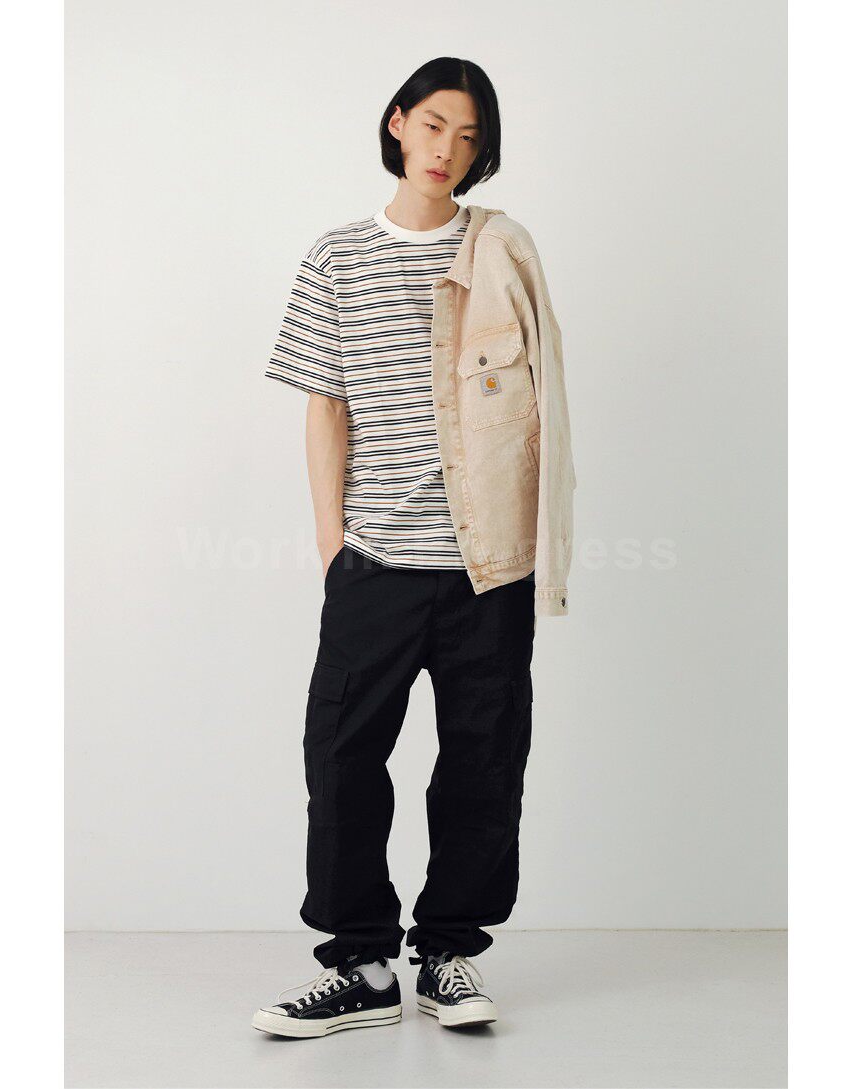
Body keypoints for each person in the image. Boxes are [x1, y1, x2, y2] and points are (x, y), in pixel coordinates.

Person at [252, 56, 575, 1039]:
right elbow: (327, 405)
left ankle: (447, 957)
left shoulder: (501, 249)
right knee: (342, 757)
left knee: (483, 760)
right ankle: (360, 965)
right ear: (397, 123)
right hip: (376, 563)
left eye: (469, 137)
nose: (448, 150)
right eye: (434, 125)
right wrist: (332, 542)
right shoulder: (338, 256)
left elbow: (547, 406)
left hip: (489, 564)